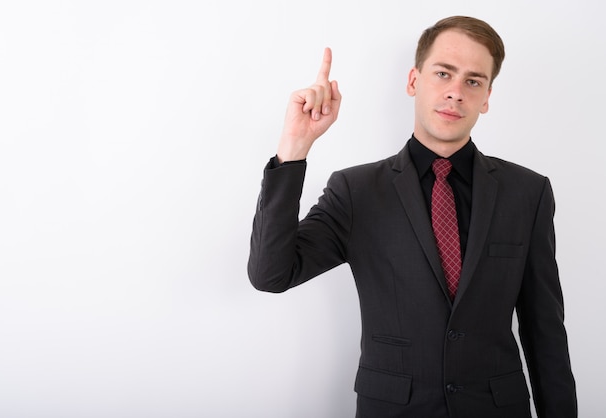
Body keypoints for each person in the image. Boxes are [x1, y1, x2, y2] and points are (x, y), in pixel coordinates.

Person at [247, 16, 576, 418]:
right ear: (413, 81)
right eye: (444, 73)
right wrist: (293, 148)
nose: (455, 92)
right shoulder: (356, 191)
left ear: (487, 97)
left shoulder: (528, 192)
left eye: (473, 81)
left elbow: (545, 331)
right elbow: (271, 275)